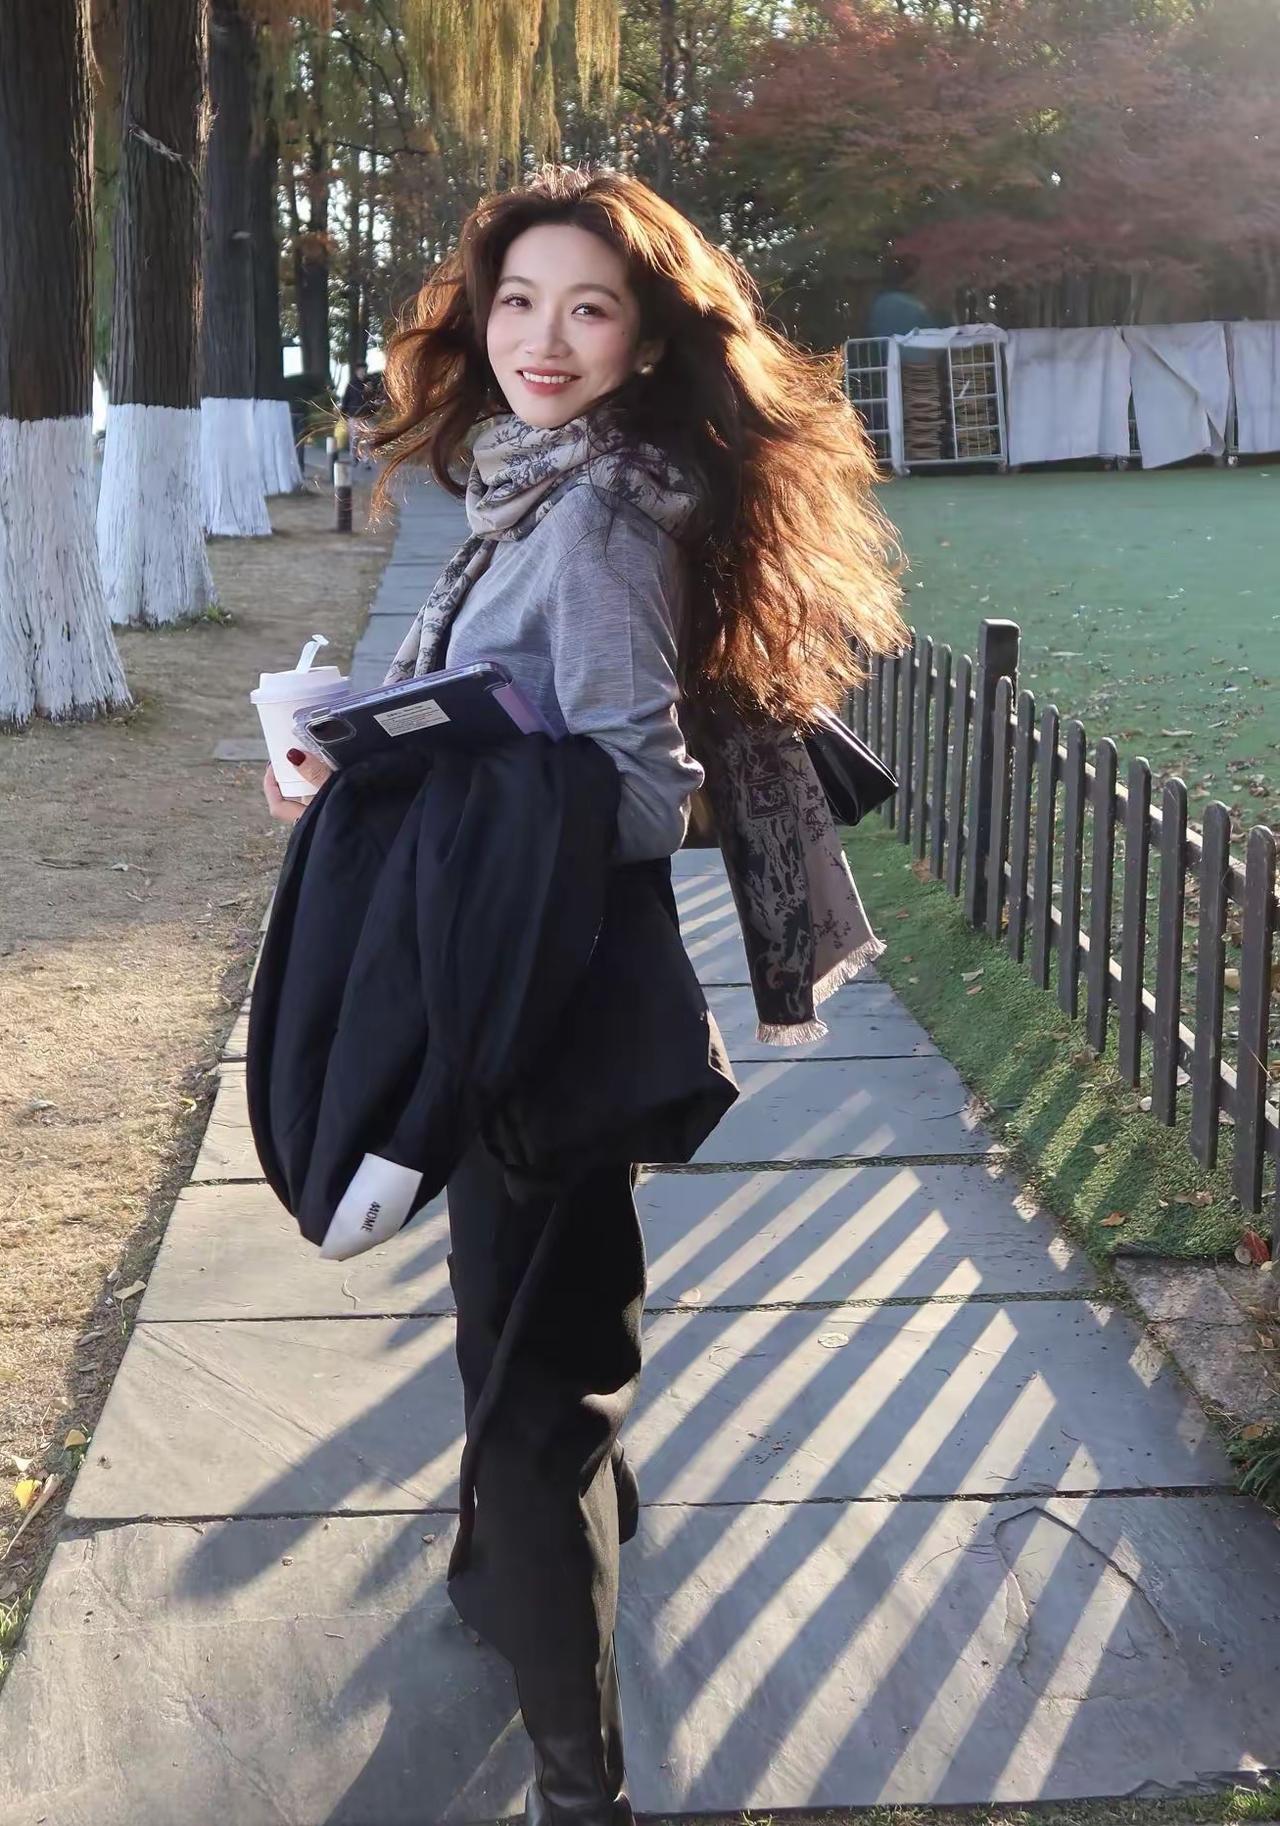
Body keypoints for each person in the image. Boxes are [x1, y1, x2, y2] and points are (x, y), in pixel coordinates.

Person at [263, 164, 907, 1824]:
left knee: (540, 1396)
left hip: (546, 1000)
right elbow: (510, 713)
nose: (543, 339)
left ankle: (577, 1782)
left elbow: (632, 788)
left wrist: (423, 783)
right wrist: (351, 749)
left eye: (590, 308)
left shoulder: (604, 516)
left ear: (646, 338)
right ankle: (506, 1589)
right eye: (519, 302)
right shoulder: (535, 484)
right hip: (514, 983)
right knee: (524, 1338)